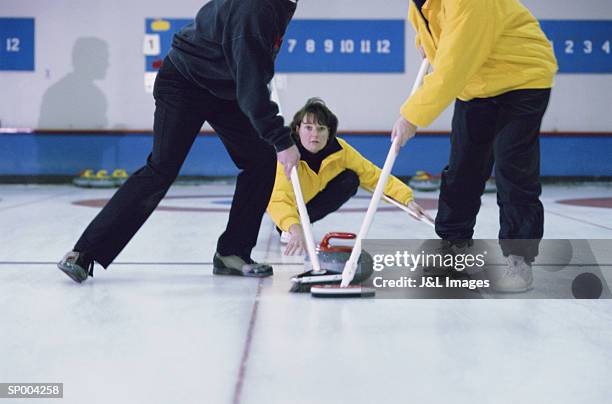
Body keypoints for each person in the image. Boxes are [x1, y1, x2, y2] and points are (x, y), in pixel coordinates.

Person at [57, 0, 301, 283]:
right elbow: (251, 88)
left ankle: (232, 253)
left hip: (223, 88)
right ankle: (83, 253)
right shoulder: (256, 8)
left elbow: (251, 72)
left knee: (260, 159)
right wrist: (282, 141)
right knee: (161, 168)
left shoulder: (282, 5)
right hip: (184, 82)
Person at [391, 0, 558, 292]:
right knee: (463, 167)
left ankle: (520, 258)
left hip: (521, 76)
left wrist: (411, 116)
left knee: (511, 167)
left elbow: (454, 65)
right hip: (477, 83)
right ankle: (452, 247)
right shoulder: (417, 3)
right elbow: (435, 34)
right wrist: (427, 44)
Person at [268, 98, 431, 255]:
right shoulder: (286, 154)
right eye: (308, 127)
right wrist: (293, 227)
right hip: (282, 202)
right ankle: (288, 227)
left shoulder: (339, 150)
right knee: (280, 209)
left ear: (329, 131)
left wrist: (406, 200)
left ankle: (302, 222)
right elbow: (277, 199)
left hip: (308, 202)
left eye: (321, 128)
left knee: (350, 179)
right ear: (297, 129)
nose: (314, 135)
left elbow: (373, 175)